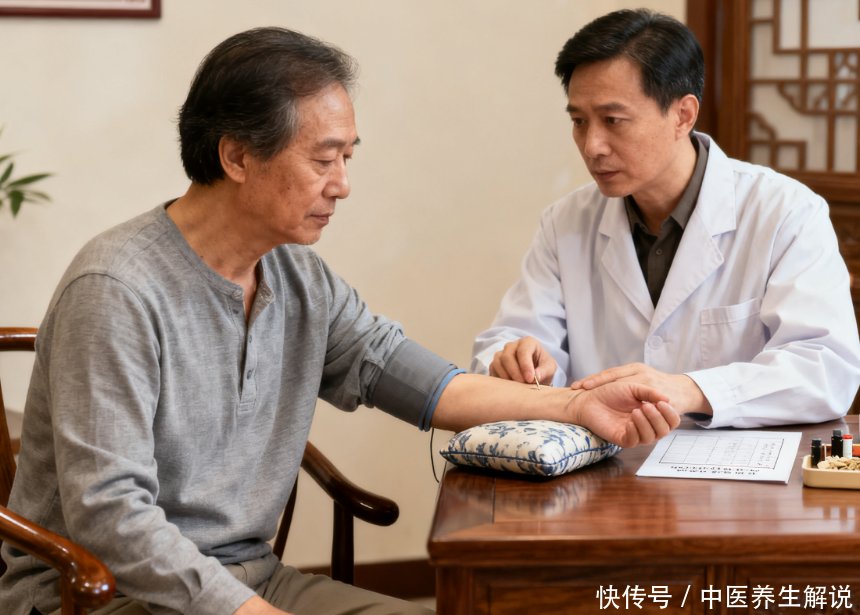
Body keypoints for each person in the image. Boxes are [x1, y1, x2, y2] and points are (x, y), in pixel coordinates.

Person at [0, 27, 680, 615]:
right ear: (236, 156)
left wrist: (577, 405)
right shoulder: (116, 289)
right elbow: (112, 516)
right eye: (324, 159)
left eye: (347, 157)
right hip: (100, 593)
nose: (343, 184)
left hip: (250, 578)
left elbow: (426, 384)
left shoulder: (298, 276)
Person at [471, 8, 860, 428]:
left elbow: (826, 369)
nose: (592, 145)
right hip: (604, 460)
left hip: (735, 464)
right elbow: (508, 342)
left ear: (683, 115)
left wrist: (690, 389)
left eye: (613, 120)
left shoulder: (785, 212)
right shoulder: (565, 223)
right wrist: (517, 360)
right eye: (579, 121)